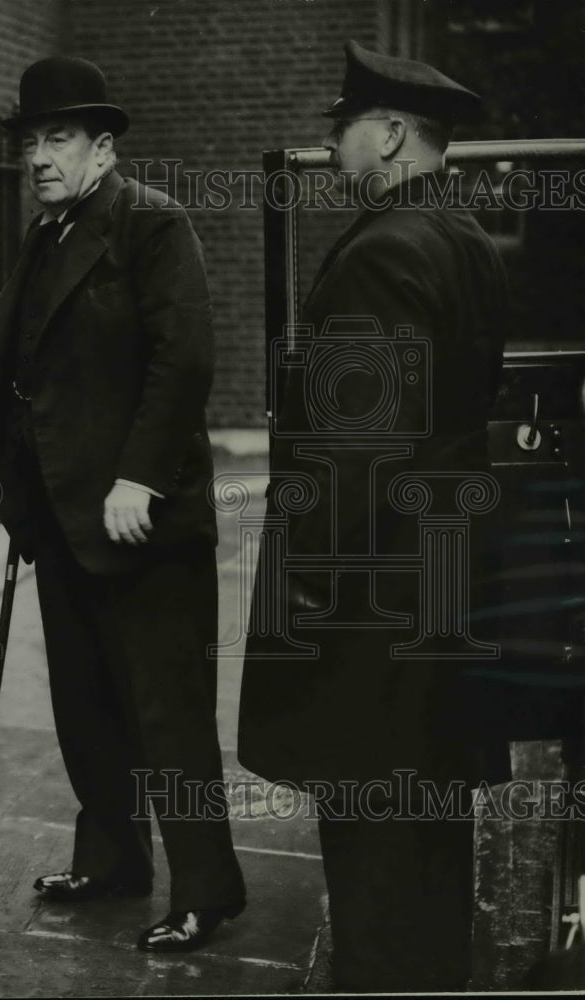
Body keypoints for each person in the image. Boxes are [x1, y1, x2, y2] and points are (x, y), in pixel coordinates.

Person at [238, 40, 511, 992]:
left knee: (374, 830)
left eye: (344, 126)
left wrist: (308, 583)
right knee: (432, 819)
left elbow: (355, 457)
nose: (332, 146)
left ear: (391, 132)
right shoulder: (463, 235)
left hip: (376, 598)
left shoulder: (384, 252)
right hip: (439, 579)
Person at [0, 55, 245, 953]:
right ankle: (113, 860)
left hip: (142, 520)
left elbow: (184, 361)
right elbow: (29, 372)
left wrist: (140, 476)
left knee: (166, 714)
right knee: (86, 706)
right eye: (31, 141)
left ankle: (207, 890)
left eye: (58, 139)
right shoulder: (46, 233)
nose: (39, 157)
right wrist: (18, 494)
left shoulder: (150, 225)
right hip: (62, 519)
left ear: (102, 148)